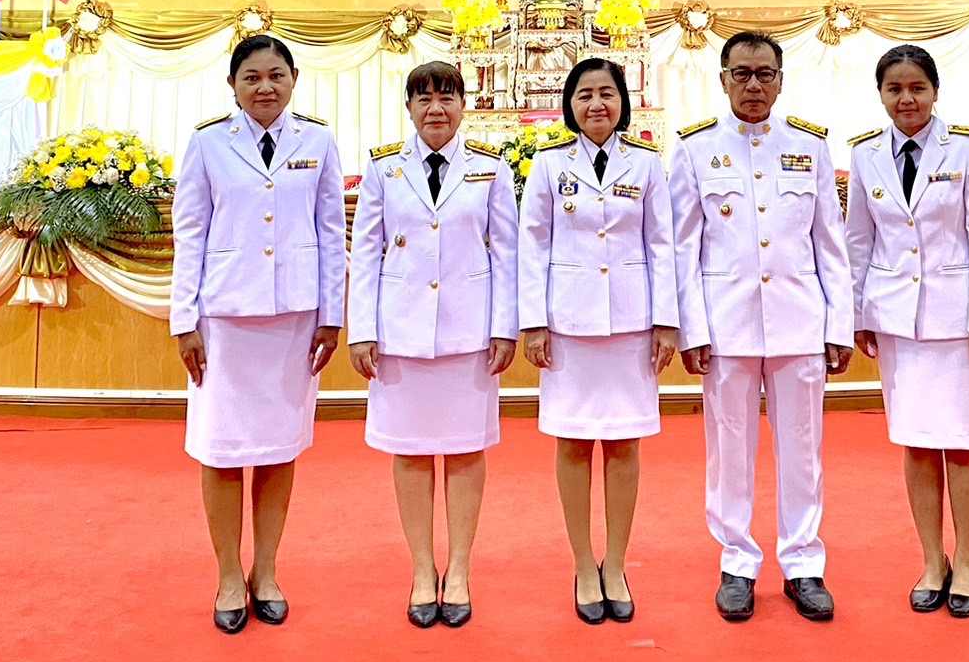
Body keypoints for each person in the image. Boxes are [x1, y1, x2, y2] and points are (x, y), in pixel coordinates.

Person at [669, 31, 853, 624]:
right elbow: (682, 248)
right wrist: (691, 328)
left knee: (802, 447)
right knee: (730, 448)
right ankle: (737, 561)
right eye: (742, 73)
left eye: (765, 74)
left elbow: (832, 244)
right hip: (727, 325)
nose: (754, 85)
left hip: (800, 320)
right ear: (722, 79)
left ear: (780, 79)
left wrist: (839, 325)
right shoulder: (696, 151)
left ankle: (803, 563)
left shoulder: (810, 147)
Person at [170, 34, 347, 634]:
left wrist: (332, 314)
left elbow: (330, 232)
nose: (265, 87)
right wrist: (184, 321)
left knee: (278, 449)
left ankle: (266, 570)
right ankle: (226, 574)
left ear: (294, 78)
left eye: (276, 75)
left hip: (294, 321)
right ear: (233, 86)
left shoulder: (317, 140)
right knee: (221, 451)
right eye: (252, 78)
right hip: (223, 320)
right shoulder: (206, 144)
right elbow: (189, 235)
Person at [348, 62, 519, 629]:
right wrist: (363, 330)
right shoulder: (383, 171)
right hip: (400, 332)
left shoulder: (490, 171)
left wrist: (504, 327)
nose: (436, 108)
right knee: (412, 452)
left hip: (469, 335)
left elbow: (506, 254)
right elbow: (366, 253)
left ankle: (461, 570)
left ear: (464, 105)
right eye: (424, 98)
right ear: (409, 107)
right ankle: (424, 570)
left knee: (467, 450)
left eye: (446, 97)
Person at [518, 57, 678, 624]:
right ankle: (584, 562)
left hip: (632, 324)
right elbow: (531, 245)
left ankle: (617, 562)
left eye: (606, 94)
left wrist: (667, 321)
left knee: (625, 444)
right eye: (584, 95)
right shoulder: (546, 164)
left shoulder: (650, 164)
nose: (596, 105)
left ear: (622, 101)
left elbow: (664, 245)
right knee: (572, 443)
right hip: (569, 325)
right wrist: (532, 320)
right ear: (570, 104)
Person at [845, 44, 969, 619]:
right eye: (894, 89)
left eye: (916, 88)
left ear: (935, 92)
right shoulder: (865, 156)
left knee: (962, 443)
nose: (906, 99)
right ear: (881, 95)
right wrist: (858, 314)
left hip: (958, 321)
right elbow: (857, 241)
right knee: (915, 443)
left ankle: (967, 560)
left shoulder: (967, 151)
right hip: (897, 323)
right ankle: (931, 558)